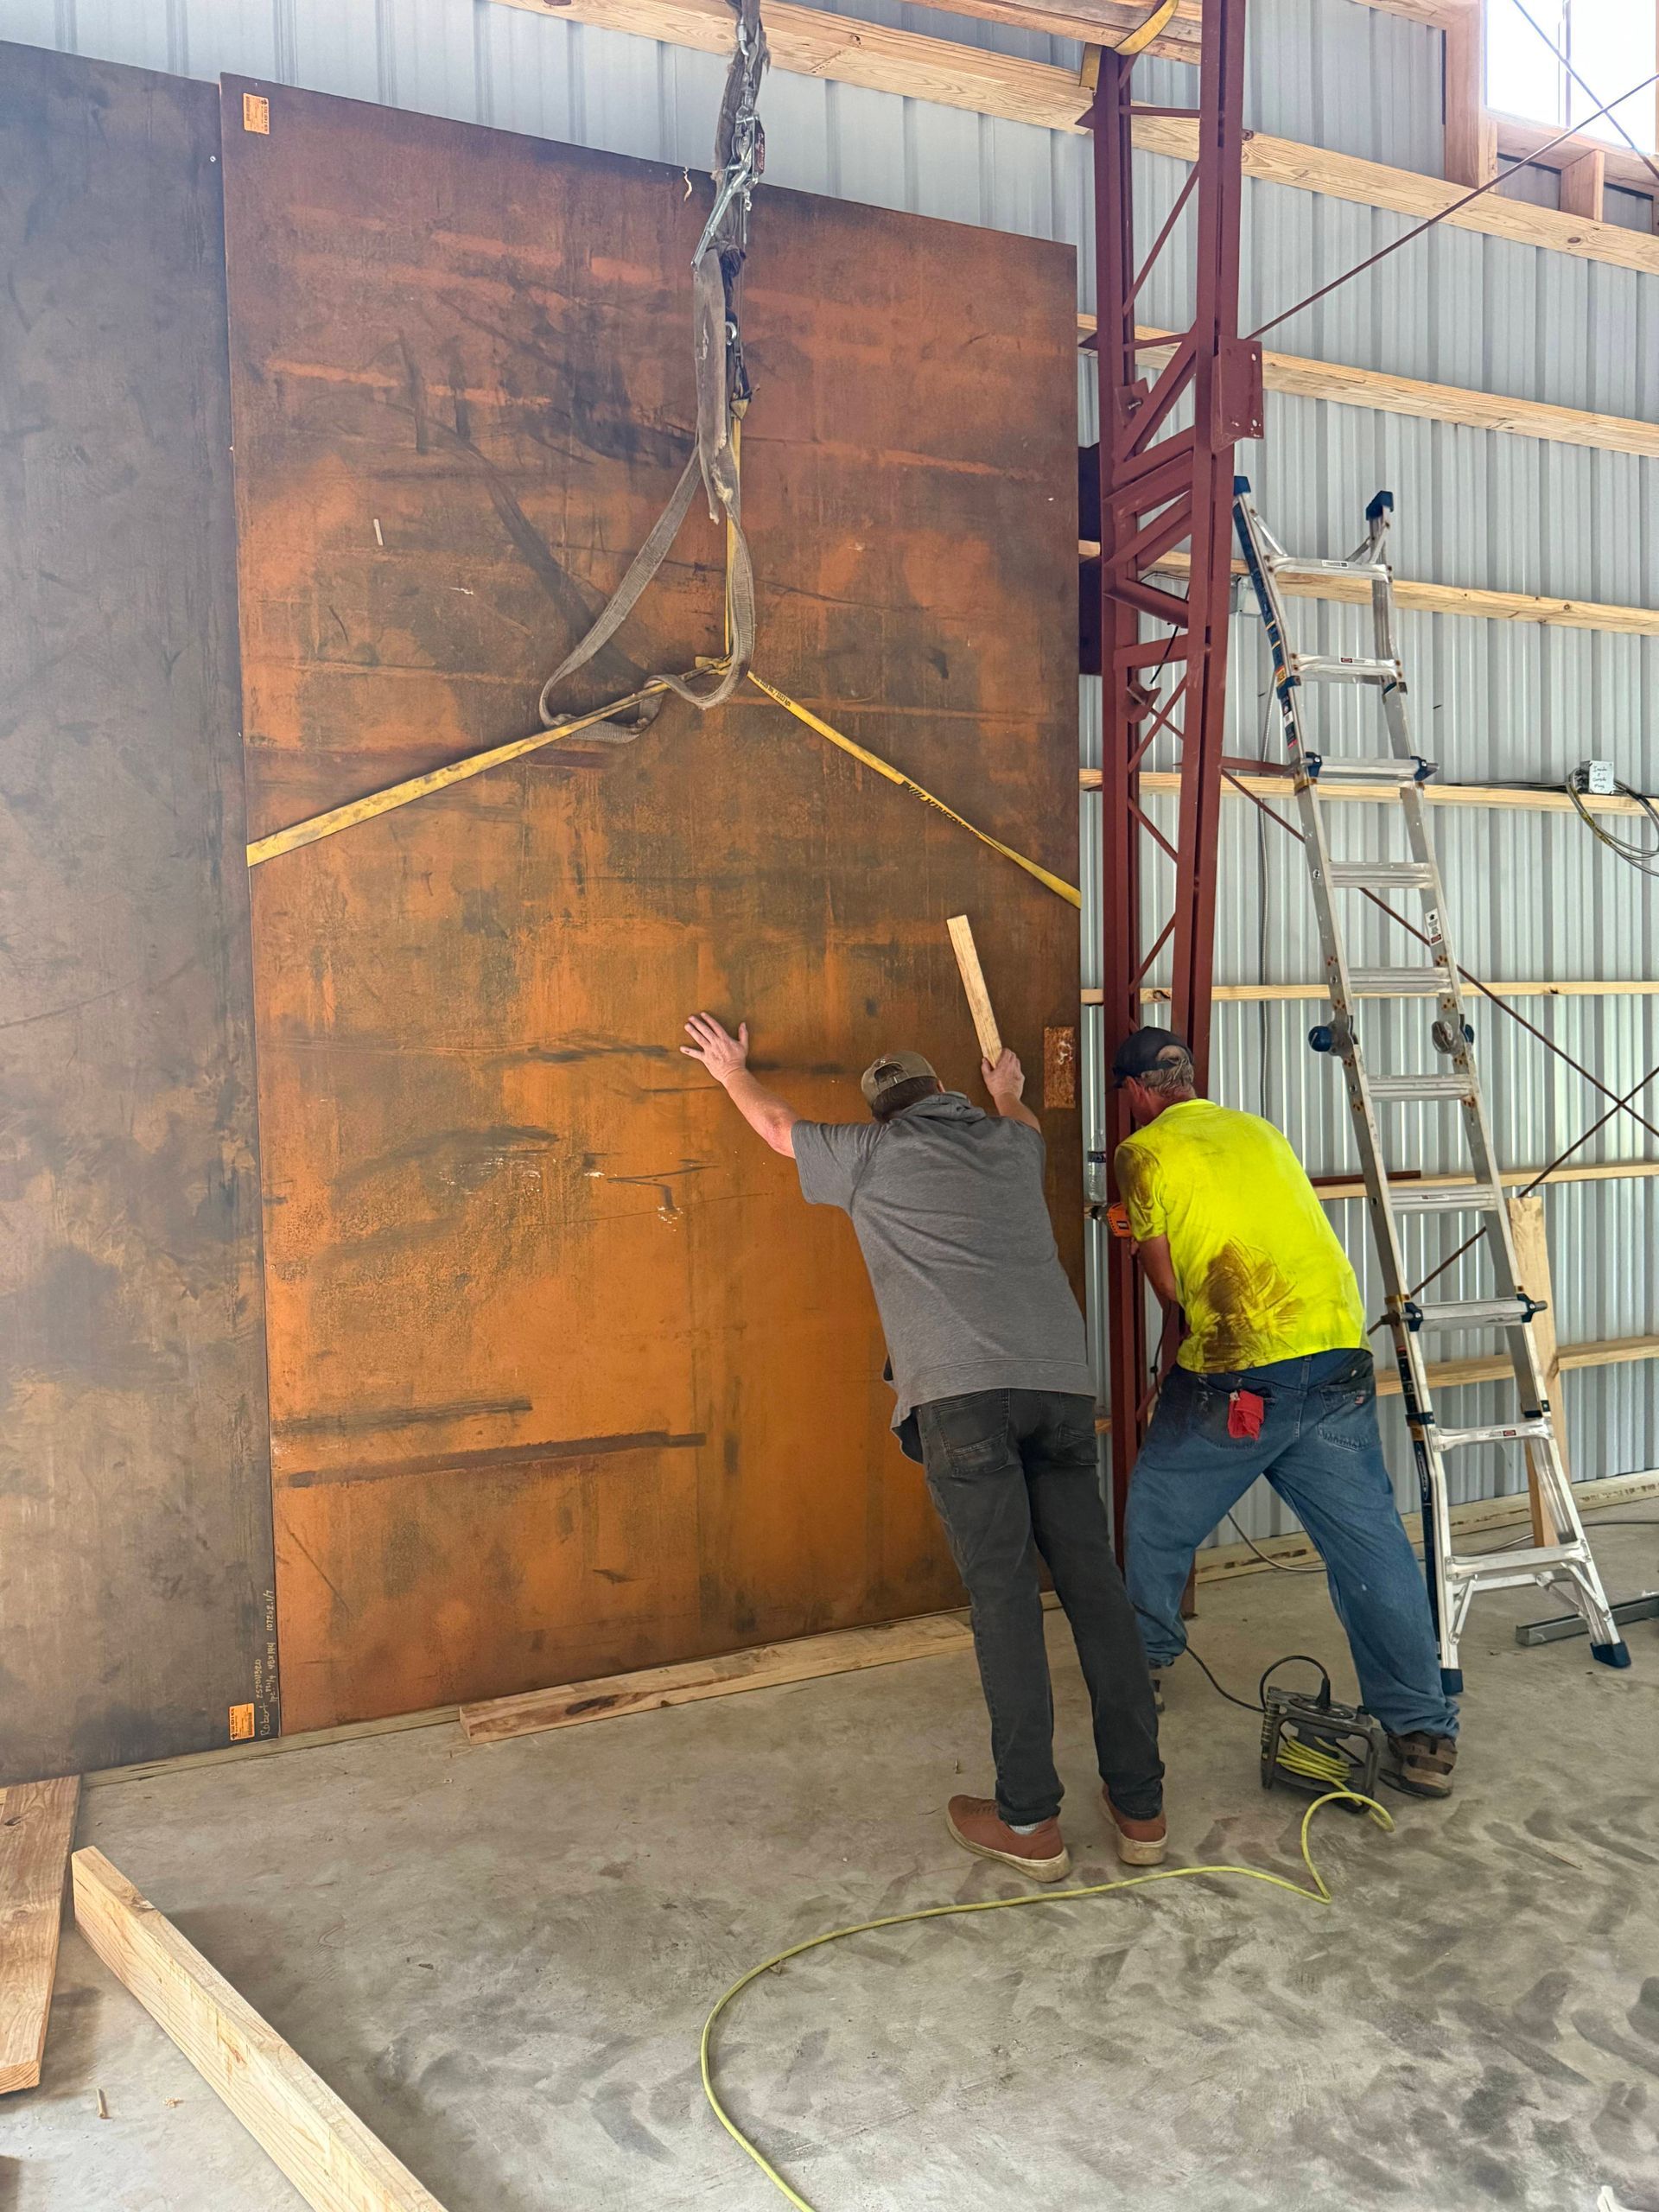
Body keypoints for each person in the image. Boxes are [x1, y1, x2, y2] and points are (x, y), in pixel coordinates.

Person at [679, 1009, 1165, 1881]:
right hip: (1058, 1381)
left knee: (1006, 1599)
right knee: (1094, 1587)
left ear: (884, 1115)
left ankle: (1030, 1821)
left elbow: (778, 1126)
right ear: (944, 1095)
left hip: (962, 1396)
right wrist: (1008, 1092)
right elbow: (1019, 1119)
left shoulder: (872, 1157)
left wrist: (729, 1070)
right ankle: (1141, 1805)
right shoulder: (1012, 1149)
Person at [1111, 1025, 1460, 1798]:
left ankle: (1142, 1663)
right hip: (1337, 1356)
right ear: (1190, 1078)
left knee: (1158, 1518)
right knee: (1370, 1549)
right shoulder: (1261, 1131)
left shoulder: (1143, 1154)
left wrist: (1139, 1248)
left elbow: (1171, 1290)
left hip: (1240, 1372)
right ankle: (1421, 1730)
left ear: (1136, 1094)